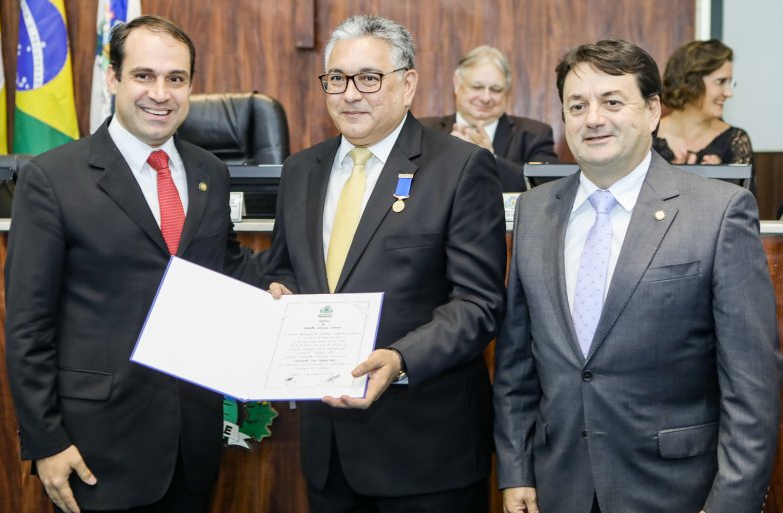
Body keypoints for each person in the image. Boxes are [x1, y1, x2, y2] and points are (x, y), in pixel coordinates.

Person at [493, 39, 780, 513]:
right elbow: (516, 365)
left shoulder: (719, 212)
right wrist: (516, 469)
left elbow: (751, 387)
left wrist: (731, 503)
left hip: (676, 491)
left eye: (612, 102)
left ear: (651, 111)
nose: (593, 118)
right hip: (557, 486)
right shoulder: (535, 210)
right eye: (577, 105)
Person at [5, 15, 263, 513]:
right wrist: (46, 441)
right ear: (113, 78)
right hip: (94, 450)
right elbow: (27, 327)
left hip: (193, 445)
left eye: (176, 79)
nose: (160, 94)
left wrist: (290, 282)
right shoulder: (52, 179)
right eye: (143, 75)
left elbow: (227, 267)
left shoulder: (210, 172)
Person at [265, 15, 506, 513]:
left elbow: (478, 304)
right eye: (337, 78)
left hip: (425, 453)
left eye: (370, 78)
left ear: (408, 84)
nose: (351, 94)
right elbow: (286, 268)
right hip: (328, 454)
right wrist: (280, 293)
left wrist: (399, 358)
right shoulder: (299, 170)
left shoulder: (460, 167)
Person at [420, 45, 557, 192]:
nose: (486, 98)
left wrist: (489, 159)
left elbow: (547, 189)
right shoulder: (424, 130)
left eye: (495, 89)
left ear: (506, 91)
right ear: (456, 83)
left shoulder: (534, 135)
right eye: (477, 87)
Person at [654, 39, 752, 165]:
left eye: (730, 83)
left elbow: (744, 185)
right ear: (690, 83)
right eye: (721, 82)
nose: (729, 93)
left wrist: (719, 182)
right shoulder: (647, 137)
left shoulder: (736, 141)